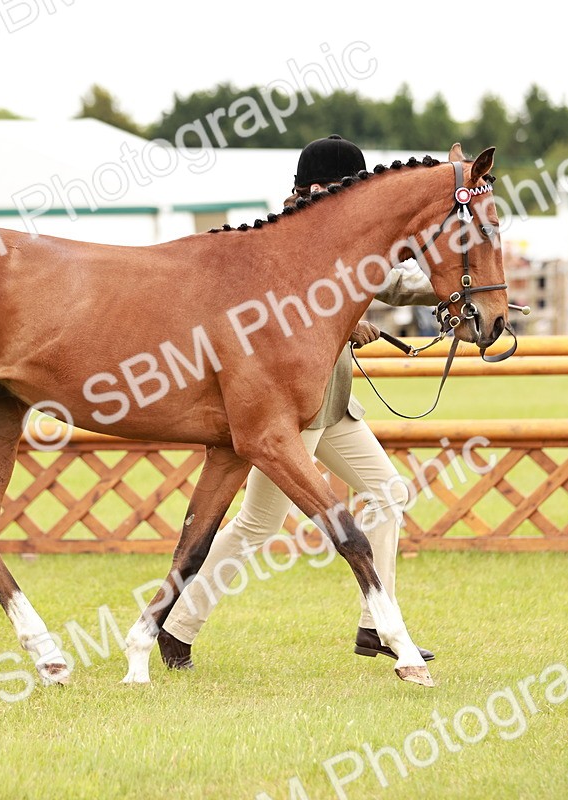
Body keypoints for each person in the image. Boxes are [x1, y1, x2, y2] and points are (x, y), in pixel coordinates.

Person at [159, 135, 440, 670]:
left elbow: (394, 280)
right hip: (286, 411)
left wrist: (463, 290)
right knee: (258, 525)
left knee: (387, 492)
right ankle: (177, 626)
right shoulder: (285, 242)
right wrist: (347, 324)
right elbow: (278, 315)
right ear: (319, 189)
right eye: (348, 187)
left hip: (333, 406)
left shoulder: (346, 239)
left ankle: (376, 624)